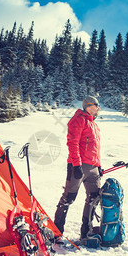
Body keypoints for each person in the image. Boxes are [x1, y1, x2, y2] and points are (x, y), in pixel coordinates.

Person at [54, 96, 102, 241]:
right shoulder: (78, 120)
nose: (98, 107)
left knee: (94, 198)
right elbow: (72, 143)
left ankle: (86, 231)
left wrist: (98, 166)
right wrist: (76, 165)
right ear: (88, 105)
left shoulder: (94, 124)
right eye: (96, 105)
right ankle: (57, 232)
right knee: (68, 198)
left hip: (93, 167)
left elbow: (94, 148)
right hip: (78, 166)